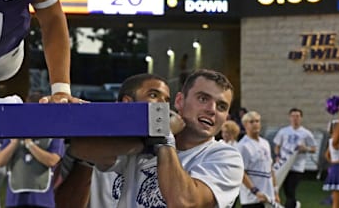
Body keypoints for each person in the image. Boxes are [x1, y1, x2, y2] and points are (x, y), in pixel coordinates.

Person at [70, 69, 244, 208]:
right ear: (179, 101)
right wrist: (143, 143)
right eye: (203, 98)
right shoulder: (144, 139)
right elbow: (81, 149)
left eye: (221, 106)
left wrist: (164, 136)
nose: (212, 109)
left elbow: (183, 202)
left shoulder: (226, 157)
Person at [55, 73, 173, 208]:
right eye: (153, 95)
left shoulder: (166, 148)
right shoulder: (92, 141)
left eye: (167, 100)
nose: (162, 105)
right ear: (127, 102)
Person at [0, 135, 64, 208]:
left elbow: (52, 161)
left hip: (42, 199)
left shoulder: (53, 134)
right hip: (15, 199)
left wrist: (30, 145)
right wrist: (14, 143)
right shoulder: (12, 133)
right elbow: (0, 162)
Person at [273, 108, 317, 208]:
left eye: (297, 116)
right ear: (289, 118)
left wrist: (305, 148)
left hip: (297, 166)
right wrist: (277, 156)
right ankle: (295, 204)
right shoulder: (283, 131)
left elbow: (314, 149)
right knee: (284, 190)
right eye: (293, 116)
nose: (295, 119)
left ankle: (292, 205)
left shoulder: (306, 133)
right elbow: (277, 146)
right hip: (283, 164)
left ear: (301, 118)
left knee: (291, 189)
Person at [236, 110, 280, 208]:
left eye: (257, 121)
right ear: (245, 125)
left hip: (268, 197)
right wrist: (255, 191)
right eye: (251, 122)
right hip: (252, 199)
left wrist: (275, 192)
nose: (255, 124)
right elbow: (241, 172)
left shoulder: (265, 143)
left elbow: (270, 169)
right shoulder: (243, 146)